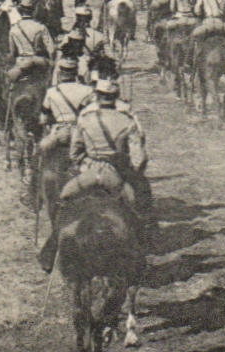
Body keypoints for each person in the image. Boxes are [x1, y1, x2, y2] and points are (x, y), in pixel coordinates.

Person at [38, 79, 154, 273]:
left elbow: (75, 152)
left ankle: (51, 251)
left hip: (87, 174)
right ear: (115, 98)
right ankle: (141, 248)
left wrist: (84, 162)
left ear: (98, 97)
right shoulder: (127, 121)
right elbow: (138, 159)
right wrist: (132, 170)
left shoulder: (85, 118)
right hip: (115, 176)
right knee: (136, 208)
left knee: (63, 201)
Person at [4, 0, 55, 88]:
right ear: (33, 11)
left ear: (20, 11)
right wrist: (52, 62)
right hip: (39, 61)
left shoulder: (14, 29)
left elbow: (12, 52)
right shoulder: (41, 27)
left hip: (21, 62)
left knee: (8, 84)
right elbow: (51, 50)